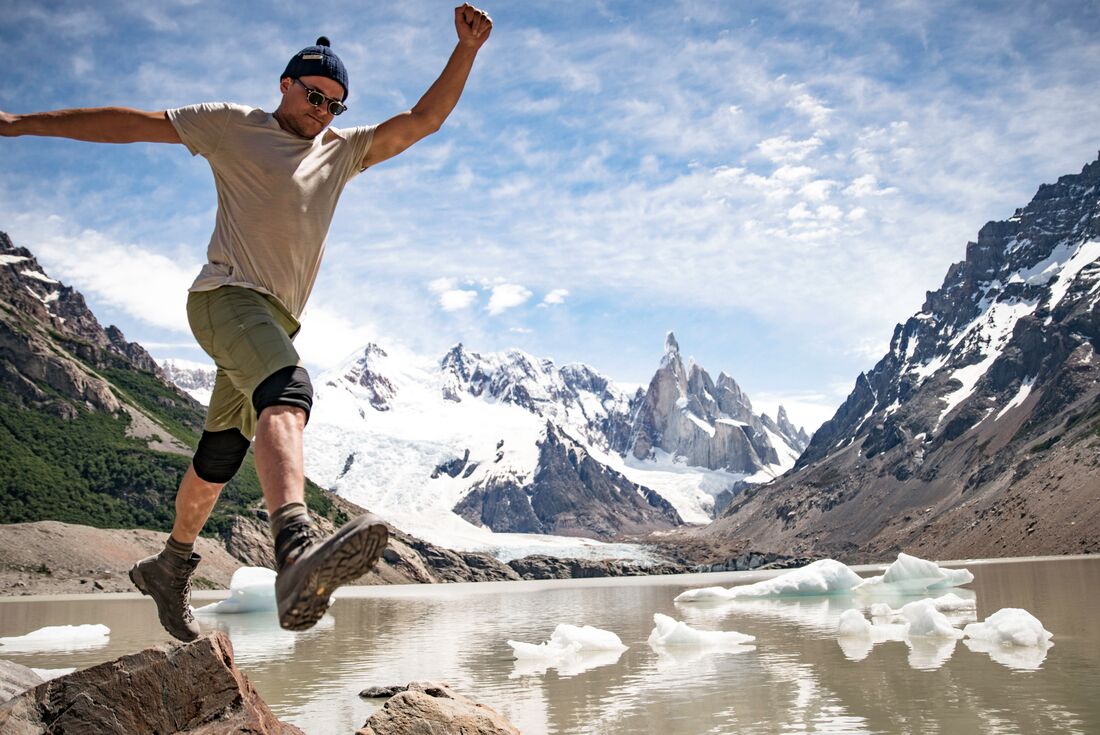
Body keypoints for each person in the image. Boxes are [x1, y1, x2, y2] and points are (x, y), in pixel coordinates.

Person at [0, 4, 492, 640]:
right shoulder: (234, 125)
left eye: (336, 104)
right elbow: (128, 124)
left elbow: (423, 120)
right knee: (289, 391)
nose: (323, 110)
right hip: (226, 298)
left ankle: (170, 565)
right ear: (285, 84)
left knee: (220, 456)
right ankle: (294, 549)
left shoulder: (343, 152)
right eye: (315, 95)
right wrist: (17, 124)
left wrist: (466, 50)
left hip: (274, 319)